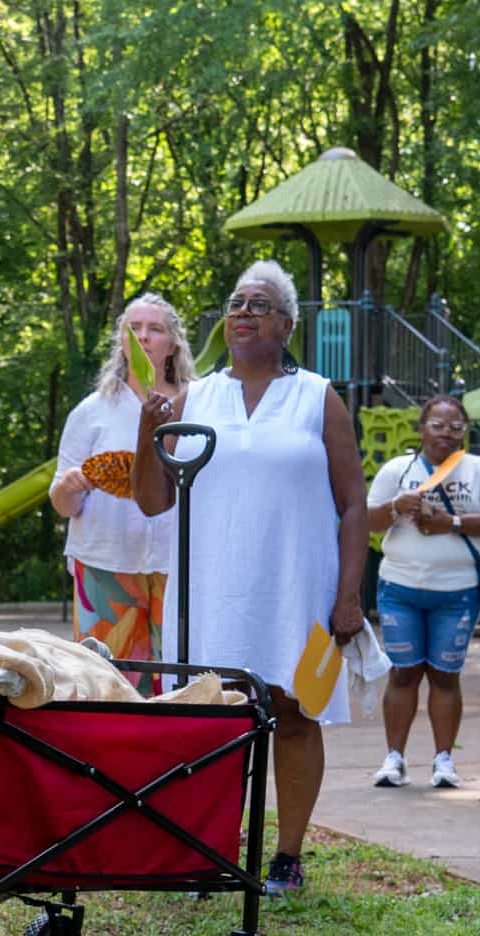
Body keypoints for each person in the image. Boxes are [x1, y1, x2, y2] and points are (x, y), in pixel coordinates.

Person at [132, 259, 367, 895]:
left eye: (259, 304)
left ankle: (287, 858)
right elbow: (153, 502)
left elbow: (353, 505)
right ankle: (208, 853)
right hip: (212, 585)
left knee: (293, 711)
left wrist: (350, 596)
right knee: (213, 717)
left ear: (287, 324)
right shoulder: (194, 397)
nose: (243, 312)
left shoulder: (318, 397)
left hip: (296, 583)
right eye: (236, 302)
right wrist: (145, 430)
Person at [365, 391, 480, 789]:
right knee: (404, 673)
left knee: (445, 676)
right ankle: (394, 759)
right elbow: (368, 520)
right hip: (400, 587)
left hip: (458, 591)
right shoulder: (397, 469)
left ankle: (444, 760)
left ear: (465, 431)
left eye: (455, 427)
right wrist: (398, 506)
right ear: (422, 428)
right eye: (437, 425)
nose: (446, 434)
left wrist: (452, 522)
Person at [51, 295, 191, 661]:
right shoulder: (92, 412)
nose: (143, 336)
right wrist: (68, 486)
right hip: (104, 564)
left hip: (179, 565)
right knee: (109, 682)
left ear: (173, 343)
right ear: (122, 341)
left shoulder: (199, 405)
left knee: (180, 675)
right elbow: (63, 506)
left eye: (155, 329)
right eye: (135, 328)